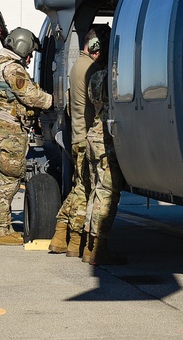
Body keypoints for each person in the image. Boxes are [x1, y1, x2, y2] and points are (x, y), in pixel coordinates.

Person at [0, 26, 53, 246]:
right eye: (29, 53)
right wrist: (55, 101)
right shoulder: (12, 68)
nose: (29, 58)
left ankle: (3, 225)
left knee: (2, 179)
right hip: (8, 129)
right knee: (10, 179)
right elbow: (30, 96)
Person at [49, 24, 110, 257]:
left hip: (77, 136)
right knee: (87, 191)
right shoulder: (92, 70)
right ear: (96, 47)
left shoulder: (77, 67)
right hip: (87, 137)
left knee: (78, 188)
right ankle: (75, 240)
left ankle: (60, 235)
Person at [82, 68, 126, 265]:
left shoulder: (96, 76)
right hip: (105, 139)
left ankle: (88, 247)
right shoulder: (114, 75)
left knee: (95, 192)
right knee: (107, 194)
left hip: (93, 134)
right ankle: (99, 249)